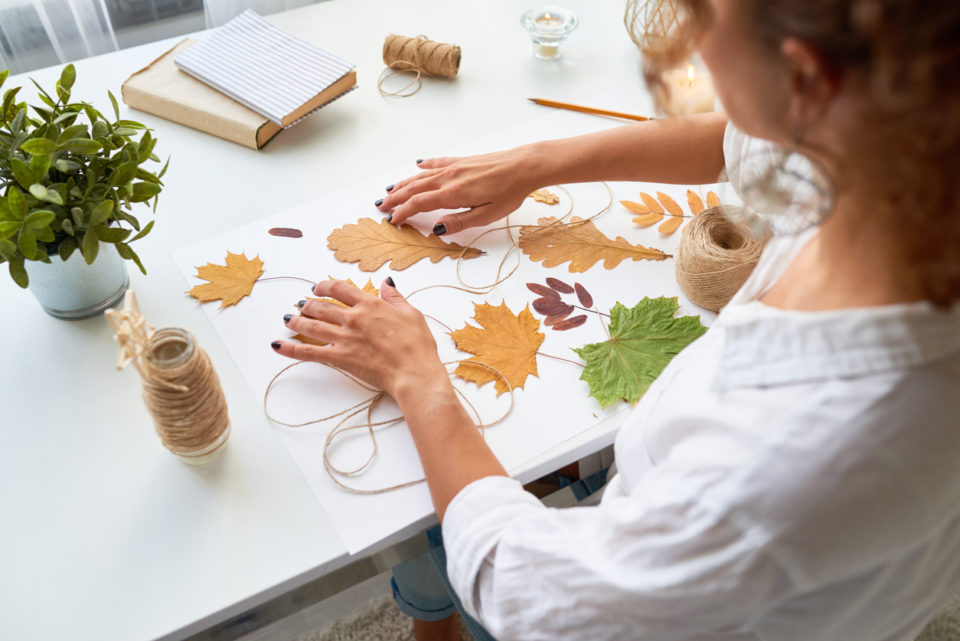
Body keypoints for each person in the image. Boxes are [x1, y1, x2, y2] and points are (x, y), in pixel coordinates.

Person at [270, 0, 960, 638]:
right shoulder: (903, 149)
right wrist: (539, 162)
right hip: (806, 575)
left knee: (438, 533)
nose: (687, 37)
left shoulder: (778, 459)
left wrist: (418, 378)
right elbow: (748, 143)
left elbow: (521, 586)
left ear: (805, 79)